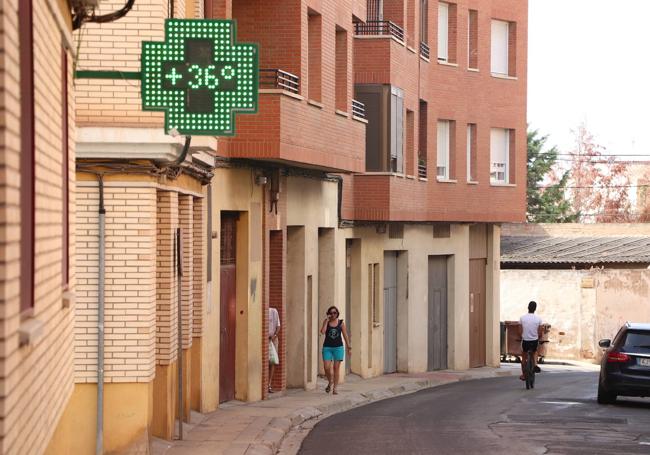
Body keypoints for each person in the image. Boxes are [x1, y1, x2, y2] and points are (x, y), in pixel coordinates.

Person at [320, 306, 351, 395]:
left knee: (336, 368)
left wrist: (349, 348)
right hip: (327, 348)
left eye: (335, 313)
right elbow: (322, 332)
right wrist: (326, 321)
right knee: (326, 367)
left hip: (338, 348)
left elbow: (345, 336)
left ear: (337, 313)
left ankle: (335, 388)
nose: (333, 314)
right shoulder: (326, 322)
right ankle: (330, 381)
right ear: (329, 314)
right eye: (331, 313)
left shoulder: (341, 323)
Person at [518, 300, 543, 381]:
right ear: (535, 309)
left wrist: (521, 336)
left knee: (524, 357)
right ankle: (535, 364)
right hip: (534, 341)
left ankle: (524, 375)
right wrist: (538, 337)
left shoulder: (522, 318)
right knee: (535, 352)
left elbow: (519, 331)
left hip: (525, 341)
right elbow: (540, 332)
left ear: (528, 308)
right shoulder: (538, 319)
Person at [268, 307, 280, 393]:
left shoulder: (273, 311)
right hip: (265, 339)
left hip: (273, 339)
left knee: (273, 361)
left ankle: (269, 384)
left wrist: (274, 335)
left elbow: (278, 326)